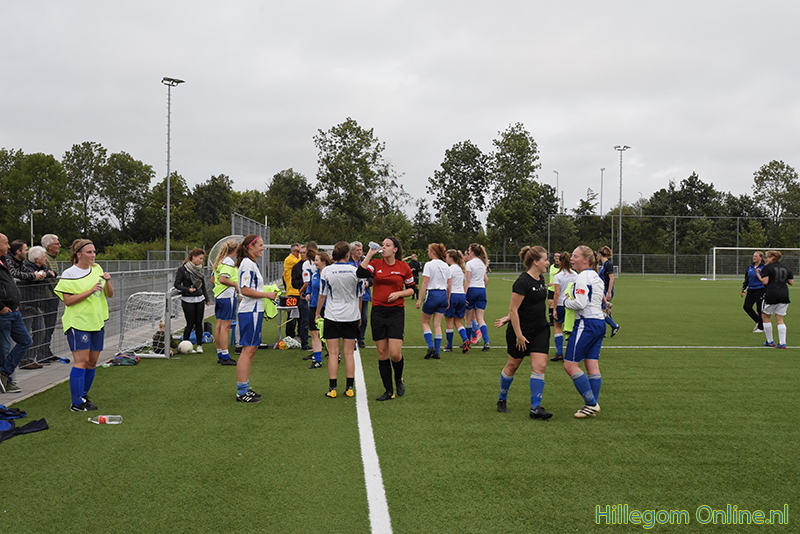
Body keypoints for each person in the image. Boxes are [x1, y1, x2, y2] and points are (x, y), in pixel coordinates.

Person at [53, 239, 113, 412]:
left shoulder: (98, 269)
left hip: (97, 322)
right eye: (89, 252)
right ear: (78, 254)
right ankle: (76, 402)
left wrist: (107, 281)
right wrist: (90, 290)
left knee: (92, 362)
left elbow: (109, 294)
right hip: (78, 323)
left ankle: (84, 395)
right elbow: (68, 301)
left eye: (94, 252)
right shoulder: (69, 273)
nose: (93, 255)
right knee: (81, 361)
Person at [493, 246, 552, 419]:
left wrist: (508, 317)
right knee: (512, 366)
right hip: (521, 331)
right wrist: (519, 334)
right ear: (536, 262)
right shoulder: (522, 282)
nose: (548, 262)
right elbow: (514, 309)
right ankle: (502, 398)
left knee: (540, 366)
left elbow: (528, 306)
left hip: (540, 329)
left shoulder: (541, 279)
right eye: (545, 259)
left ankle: (536, 407)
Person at [358, 237, 415, 401]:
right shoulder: (375, 264)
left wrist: (399, 293)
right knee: (382, 353)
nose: (383, 247)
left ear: (395, 249)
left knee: (395, 354)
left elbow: (411, 289)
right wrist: (370, 254)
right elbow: (360, 274)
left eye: (387, 245)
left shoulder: (403, 267)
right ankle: (388, 391)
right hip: (378, 312)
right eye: (383, 245)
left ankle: (398, 378)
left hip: (396, 312)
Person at [563, 245, 605, 418]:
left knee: (569, 365)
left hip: (586, 324)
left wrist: (566, 302)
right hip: (599, 322)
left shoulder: (582, 277)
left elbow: (580, 303)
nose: (572, 259)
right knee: (592, 365)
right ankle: (591, 405)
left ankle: (591, 404)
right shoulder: (596, 276)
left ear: (586, 260)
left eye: (575, 256)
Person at [235, 235, 277, 402]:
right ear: (250, 247)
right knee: (248, 350)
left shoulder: (250, 263)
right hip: (250, 311)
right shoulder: (247, 264)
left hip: (254, 311)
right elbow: (245, 290)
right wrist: (267, 295)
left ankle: (244, 387)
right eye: (260, 245)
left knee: (251, 350)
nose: (263, 248)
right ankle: (241, 391)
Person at [316, 242, 361, 398]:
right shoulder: (355, 271)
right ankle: (349, 388)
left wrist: (317, 313)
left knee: (333, 353)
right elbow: (359, 296)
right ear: (348, 254)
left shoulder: (327, 271)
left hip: (332, 316)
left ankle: (333, 389)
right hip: (351, 316)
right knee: (348, 354)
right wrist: (359, 314)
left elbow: (322, 295)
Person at [0, 234, 32, 394]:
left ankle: (4, 374)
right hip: (4, 312)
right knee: (4, 348)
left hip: (14, 310)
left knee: (26, 341)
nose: (8, 247)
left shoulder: (4, 261)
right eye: (6, 243)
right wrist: (1, 307)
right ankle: (6, 381)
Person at [20, 246, 57, 367]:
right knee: (26, 333)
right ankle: (23, 359)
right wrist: (45, 275)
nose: (45, 259)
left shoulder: (41, 267)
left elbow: (51, 273)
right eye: (44, 257)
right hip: (27, 305)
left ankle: (30, 358)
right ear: (36, 259)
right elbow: (33, 277)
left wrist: (46, 274)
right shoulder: (27, 267)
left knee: (41, 331)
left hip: (38, 305)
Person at [417, 243, 451, 359]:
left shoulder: (429, 265)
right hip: (443, 295)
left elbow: (425, 283)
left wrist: (419, 299)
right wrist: (448, 299)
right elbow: (449, 285)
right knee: (437, 325)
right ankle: (437, 352)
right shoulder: (446, 266)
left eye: (429, 251)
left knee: (425, 322)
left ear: (433, 252)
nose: (428, 253)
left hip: (432, 294)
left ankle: (430, 346)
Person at [174, 248, 211, 353]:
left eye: (202, 259)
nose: (201, 261)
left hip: (199, 299)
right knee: (190, 323)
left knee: (199, 323)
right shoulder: (182, 269)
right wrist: (187, 289)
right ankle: (184, 345)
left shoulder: (200, 269)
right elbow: (177, 284)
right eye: (200, 258)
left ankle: (199, 345)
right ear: (193, 257)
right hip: (187, 300)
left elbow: (203, 285)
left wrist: (207, 299)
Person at [757, 250, 794, 348]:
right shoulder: (786, 267)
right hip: (784, 295)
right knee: (780, 319)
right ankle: (782, 343)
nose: (766, 259)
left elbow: (765, 281)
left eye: (767, 257)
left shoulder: (767, 267)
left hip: (771, 294)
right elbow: (791, 282)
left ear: (772, 258)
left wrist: (758, 275)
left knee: (765, 316)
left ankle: (770, 341)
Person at [212, 239, 239, 366]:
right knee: (225, 327)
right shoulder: (228, 261)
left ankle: (220, 353)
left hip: (219, 295)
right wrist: (235, 285)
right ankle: (225, 356)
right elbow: (223, 279)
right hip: (227, 296)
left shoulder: (221, 260)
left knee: (219, 325)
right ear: (235, 249)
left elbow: (215, 279)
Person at [550, 251, 577, 362]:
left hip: (561, 304)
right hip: (571, 305)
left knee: (557, 327)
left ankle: (559, 353)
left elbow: (557, 293)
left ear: (560, 261)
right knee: (572, 328)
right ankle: (571, 353)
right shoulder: (575, 274)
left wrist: (554, 308)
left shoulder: (558, 276)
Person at [308, 251, 333, 369]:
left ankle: (335, 354)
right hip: (313, 307)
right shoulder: (314, 274)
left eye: (317, 260)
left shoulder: (330, 273)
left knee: (328, 334)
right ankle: (317, 360)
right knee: (314, 333)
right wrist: (308, 293)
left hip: (326, 308)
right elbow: (310, 285)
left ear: (323, 261)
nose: (314, 262)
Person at [465, 243, 490, 351]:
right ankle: (486, 341)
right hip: (481, 290)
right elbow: (485, 279)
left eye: (469, 250)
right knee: (480, 318)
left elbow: (467, 280)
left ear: (472, 252)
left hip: (472, 289)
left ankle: (468, 343)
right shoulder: (483, 263)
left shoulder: (469, 263)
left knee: (468, 319)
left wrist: (464, 294)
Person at [40, 234, 61, 361]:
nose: (59, 245)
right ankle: (42, 352)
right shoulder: (45, 258)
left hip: (53, 296)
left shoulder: (52, 258)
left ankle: (46, 350)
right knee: (47, 324)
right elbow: (48, 277)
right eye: (57, 244)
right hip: (47, 297)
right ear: (49, 246)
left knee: (51, 324)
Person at [443, 249, 468, 352]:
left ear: (451, 258)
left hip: (452, 295)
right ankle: (465, 339)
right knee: (458, 322)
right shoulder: (460, 269)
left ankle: (449, 346)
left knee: (449, 322)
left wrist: (446, 298)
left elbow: (447, 284)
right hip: (461, 295)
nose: (445, 258)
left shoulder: (450, 269)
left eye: (447, 256)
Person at [349, 241, 372, 349]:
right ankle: (352, 338)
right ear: (352, 251)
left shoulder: (365, 261)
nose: (359, 252)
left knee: (364, 317)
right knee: (351, 317)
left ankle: (361, 338)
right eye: (357, 250)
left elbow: (372, 276)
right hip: (351, 295)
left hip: (364, 295)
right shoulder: (348, 262)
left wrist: (369, 282)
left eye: (361, 250)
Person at [597, 246, 620, 337]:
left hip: (606, 291)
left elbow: (611, 278)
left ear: (600, 254)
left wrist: (609, 292)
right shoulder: (604, 265)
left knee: (601, 312)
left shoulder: (608, 264)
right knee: (600, 311)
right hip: (603, 291)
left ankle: (614, 326)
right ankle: (607, 330)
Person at [742, 251, 766, 333]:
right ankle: (758, 321)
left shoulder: (764, 268)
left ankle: (761, 328)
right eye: (753, 256)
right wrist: (743, 288)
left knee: (759, 309)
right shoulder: (750, 268)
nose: (754, 257)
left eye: (756, 256)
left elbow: (766, 280)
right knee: (747, 307)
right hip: (751, 290)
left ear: (761, 258)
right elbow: (747, 279)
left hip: (760, 290)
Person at [283, 243, 302, 339]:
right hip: (292, 291)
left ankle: (300, 333)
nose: (300, 254)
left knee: (301, 315)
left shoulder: (296, 259)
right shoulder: (289, 260)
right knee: (292, 315)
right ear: (292, 251)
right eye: (298, 251)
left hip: (298, 291)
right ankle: (290, 334)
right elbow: (301, 263)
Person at [547, 252, 560, 325]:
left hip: (559, 289)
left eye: (558, 256)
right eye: (555, 256)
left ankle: (559, 319)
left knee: (558, 304)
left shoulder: (562, 267)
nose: (556, 257)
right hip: (551, 289)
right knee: (550, 304)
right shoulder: (551, 266)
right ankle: (551, 321)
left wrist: (554, 283)